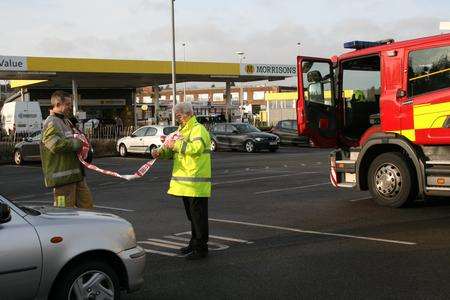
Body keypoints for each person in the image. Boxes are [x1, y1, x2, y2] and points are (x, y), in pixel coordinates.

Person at [152, 102, 211, 260]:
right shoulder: (182, 130)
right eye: (177, 116)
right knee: (193, 217)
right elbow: (175, 152)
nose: (178, 119)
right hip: (187, 183)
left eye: (179, 116)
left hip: (195, 182)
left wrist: (176, 144)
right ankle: (194, 243)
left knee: (198, 217)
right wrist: (161, 152)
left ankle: (201, 248)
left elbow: (195, 148)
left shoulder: (198, 129)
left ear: (188, 114)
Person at [40, 90, 94, 209]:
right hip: (62, 180)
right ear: (58, 104)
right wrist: (77, 144)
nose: (70, 107)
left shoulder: (66, 120)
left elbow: (76, 137)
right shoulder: (51, 122)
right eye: (68, 104)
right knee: (63, 213)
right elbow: (55, 145)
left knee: (87, 208)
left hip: (76, 175)